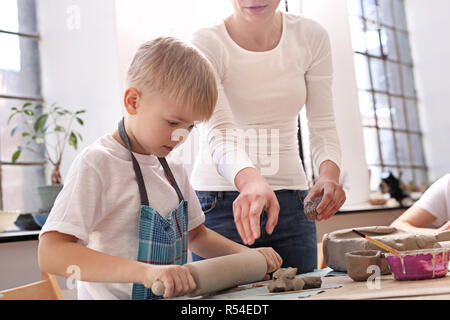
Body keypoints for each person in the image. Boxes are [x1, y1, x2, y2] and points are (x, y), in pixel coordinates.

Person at [38, 37, 282, 300]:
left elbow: (197, 235)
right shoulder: (98, 163)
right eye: (173, 122)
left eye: (190, 127)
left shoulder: (173, 167)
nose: (181, 137)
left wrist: (249, 256)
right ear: (133, 101)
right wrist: (144, 273)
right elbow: (52, 253)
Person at [189, 0, 346, 273]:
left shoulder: (311, 36)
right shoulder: (206, 42)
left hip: (293, 202)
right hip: (221, 201)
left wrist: (329, 174)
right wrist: (250, 181)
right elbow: (219, 129)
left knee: (302, 291)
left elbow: (322, 122)